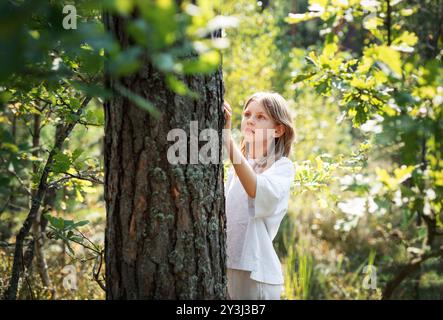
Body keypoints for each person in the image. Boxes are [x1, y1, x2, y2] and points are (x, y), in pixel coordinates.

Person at [223, 91, 296, 300]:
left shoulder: (282, 167)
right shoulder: (234, 172)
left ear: (278, 130)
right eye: (247, 115)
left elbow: (255, 189)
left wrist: (227, 140)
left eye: (260, 117)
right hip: (227, 266)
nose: (250, 121)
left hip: (256, 276)